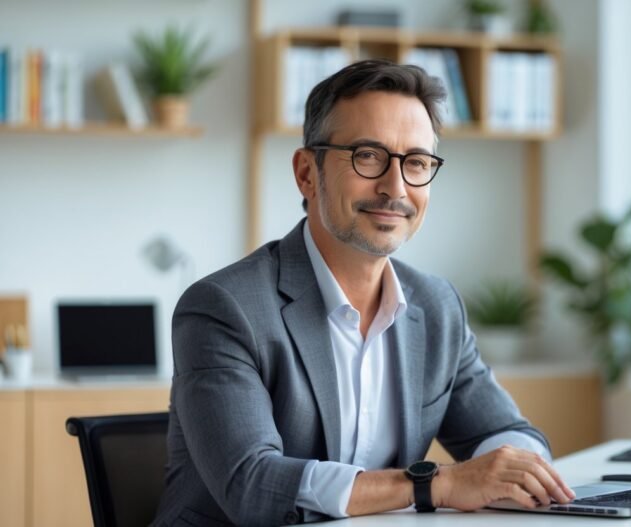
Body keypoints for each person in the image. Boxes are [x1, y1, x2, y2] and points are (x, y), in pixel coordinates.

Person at [152, 59, 574, 527]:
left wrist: (516, 470)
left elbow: (505, 431)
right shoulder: (224, 308)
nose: (395, 187)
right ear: (307, 174)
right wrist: (436, 484)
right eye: (367, 156)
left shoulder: (436, 306)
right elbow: (253, 485)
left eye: (416, 162)